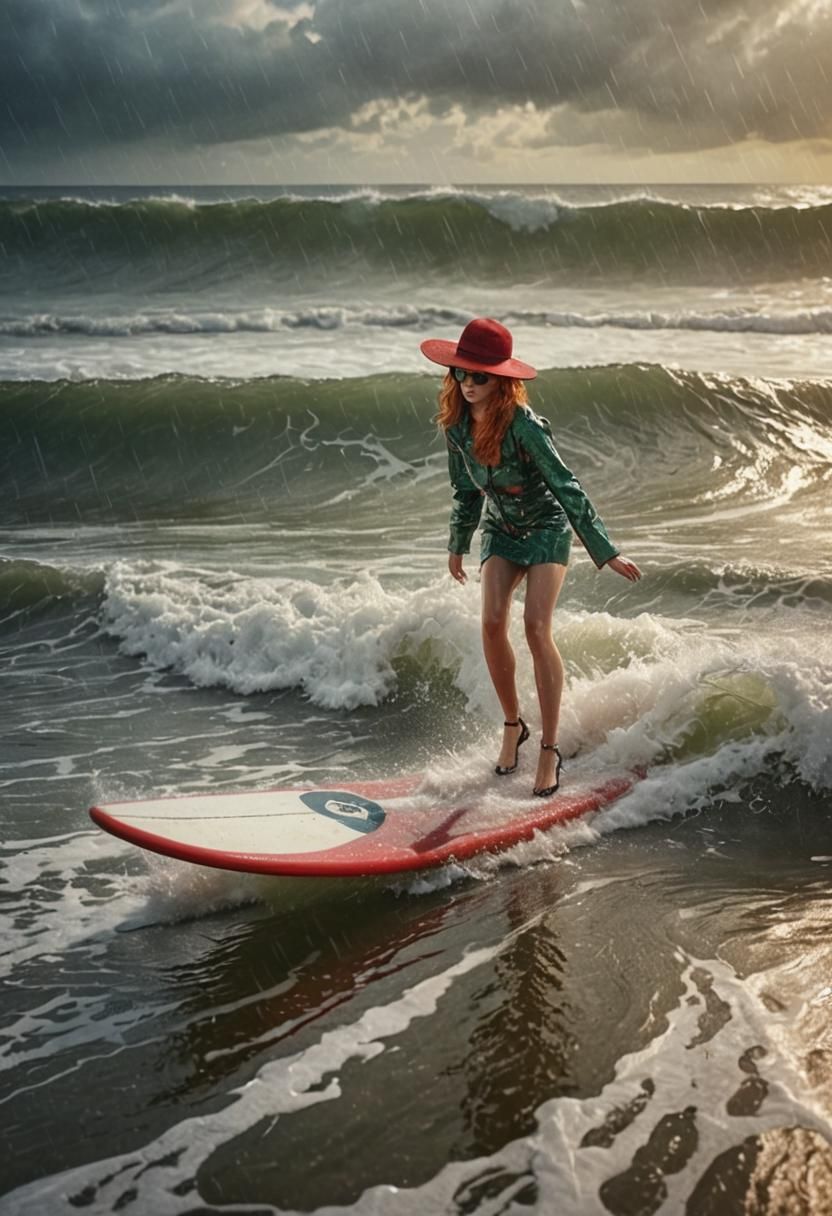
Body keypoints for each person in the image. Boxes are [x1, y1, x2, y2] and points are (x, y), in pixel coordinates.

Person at [421, 317, 641, 798]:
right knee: (491, 621)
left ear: (502, 379)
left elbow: (568, 487)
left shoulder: (525, 426)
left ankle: (548, 747)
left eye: (480, 376)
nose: (470, 384)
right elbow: (465, 490)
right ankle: (512, 726)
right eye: (462, 373)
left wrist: (605, 552)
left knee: (536, 628)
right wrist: (458, 542)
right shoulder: (457, 426)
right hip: (500, 528)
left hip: (545, 529)